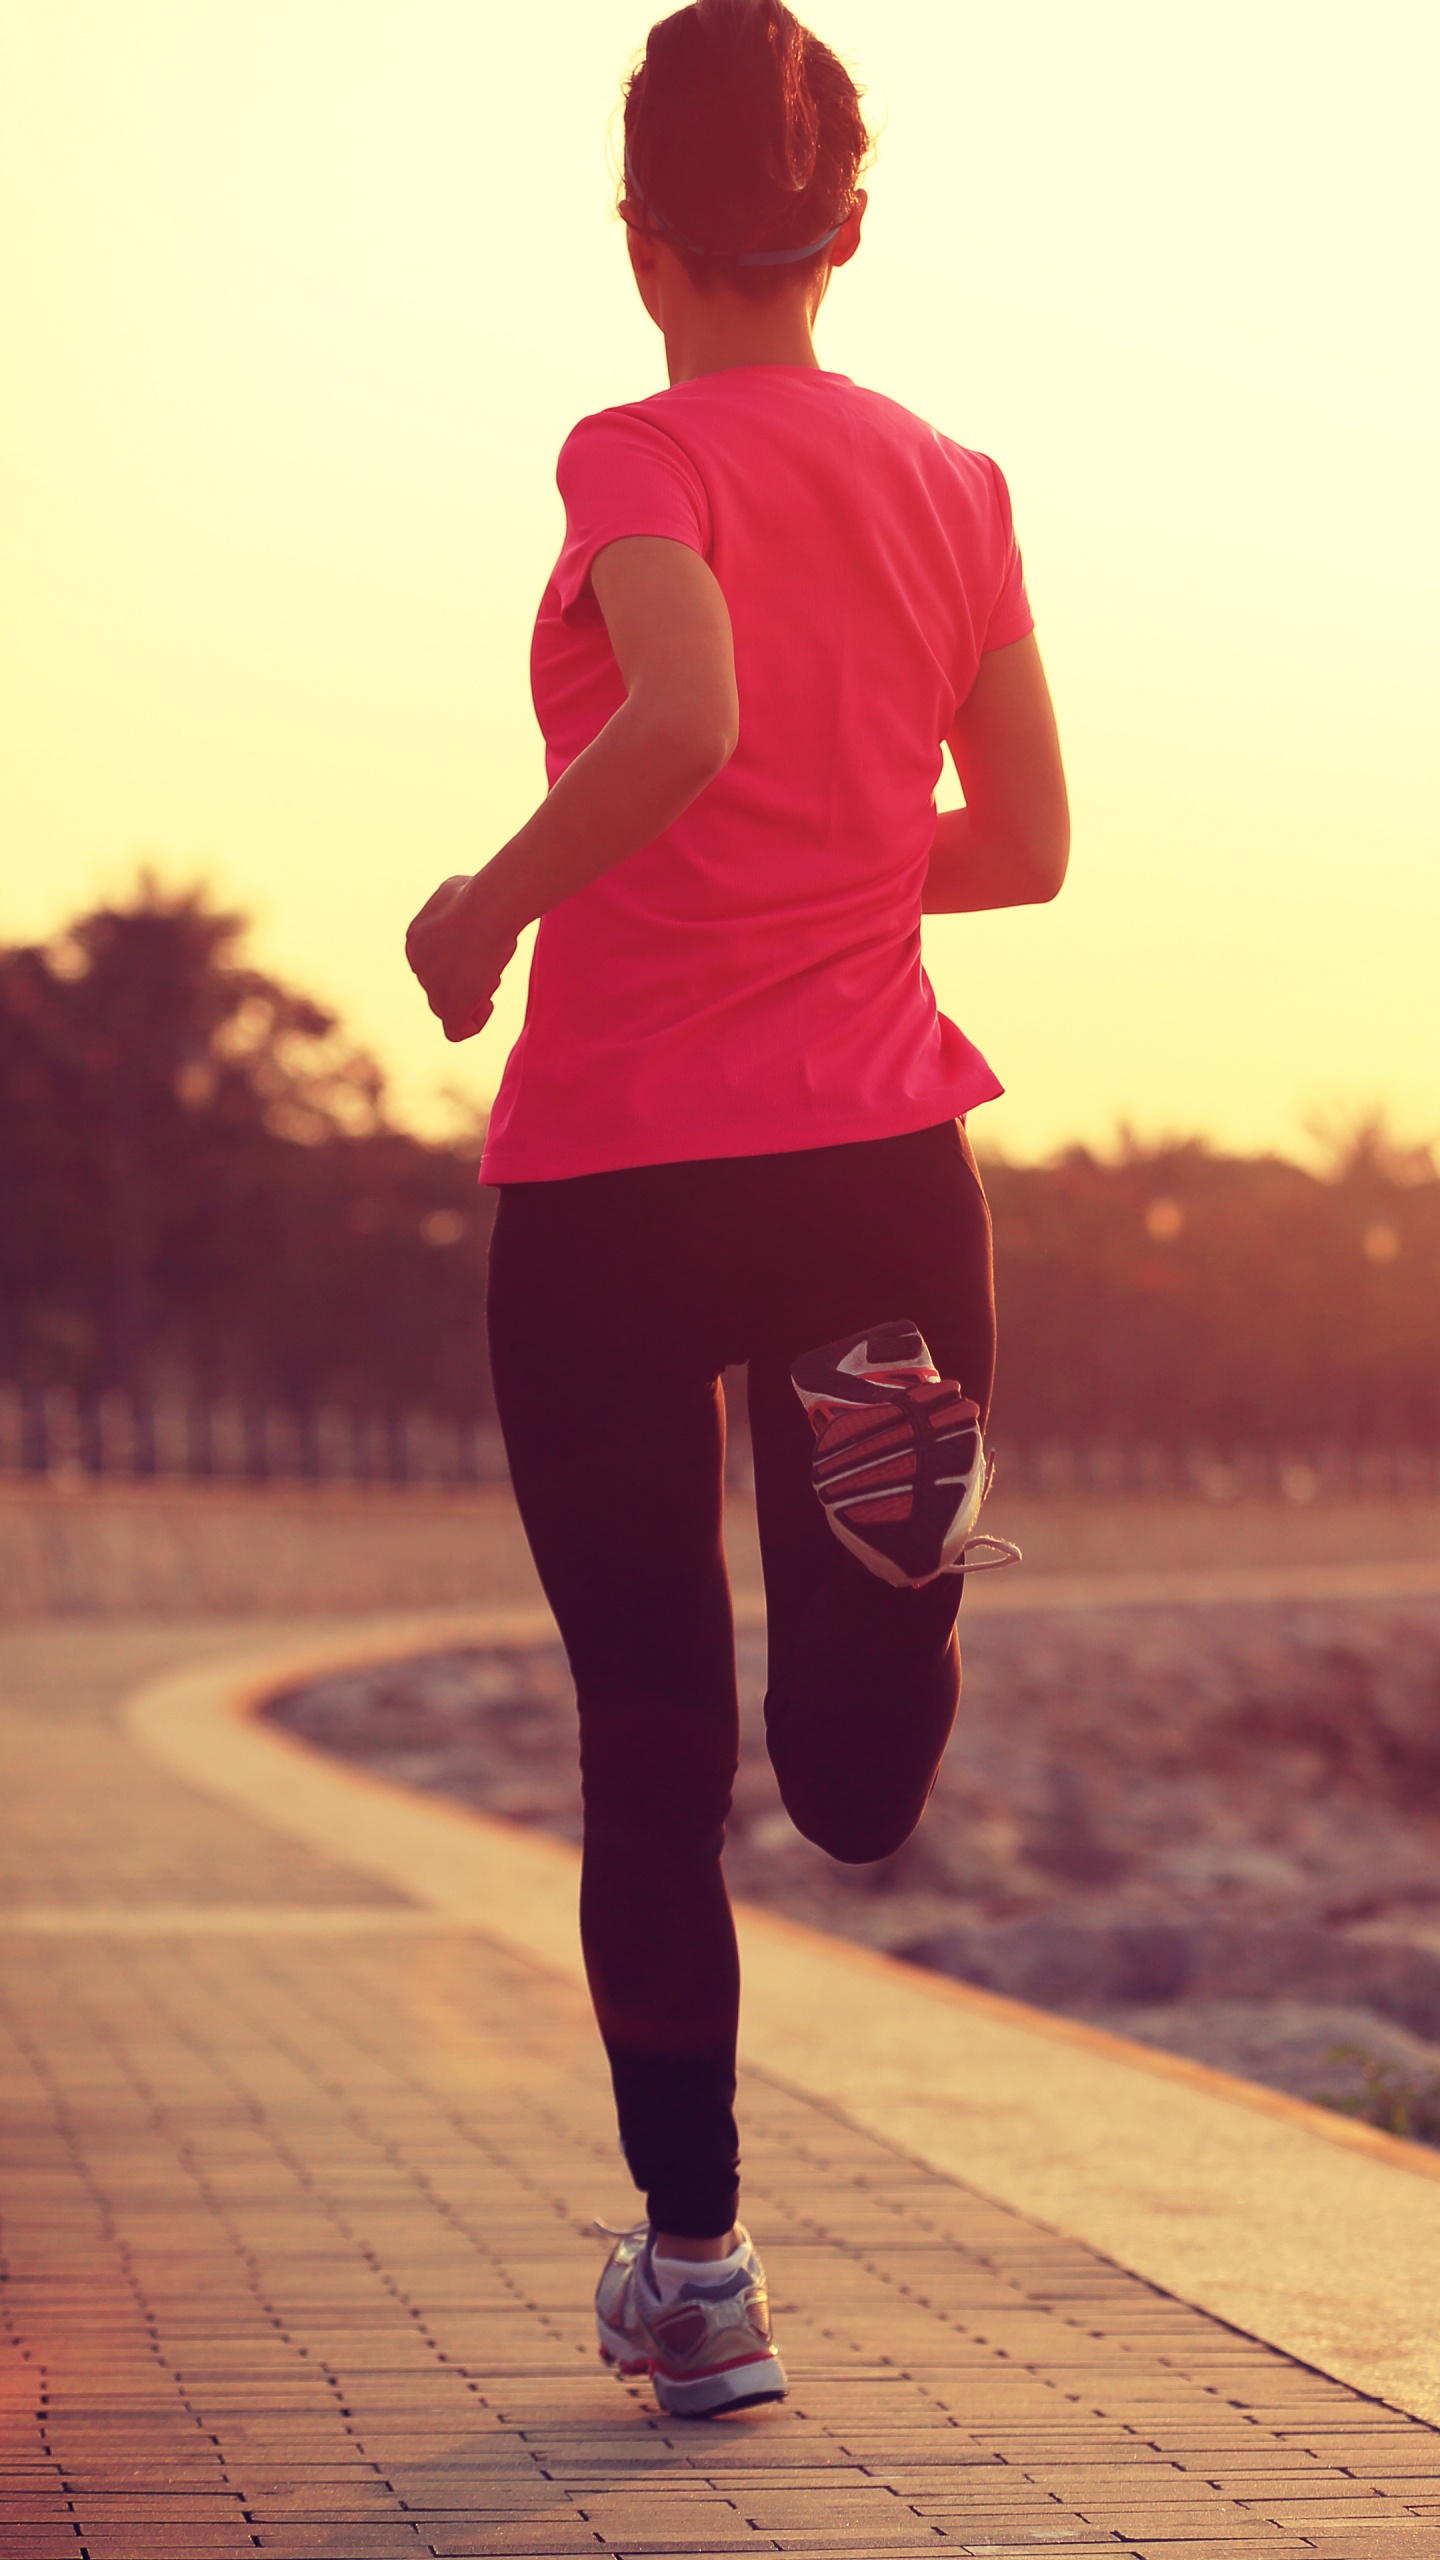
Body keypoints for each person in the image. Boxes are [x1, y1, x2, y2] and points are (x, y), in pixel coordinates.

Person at [406, 0, 1068, 2419]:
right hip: (876, 1163)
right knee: (850, 1783)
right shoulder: (953, 478)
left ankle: (699, 2271)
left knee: (647, 1743)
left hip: (608, 1174)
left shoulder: (638, 443)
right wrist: (832, 865)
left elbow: (672, 716)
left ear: (638, 234)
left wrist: (486, 904)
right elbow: (1029, 847)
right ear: (852, 227)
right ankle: (889, 1612)